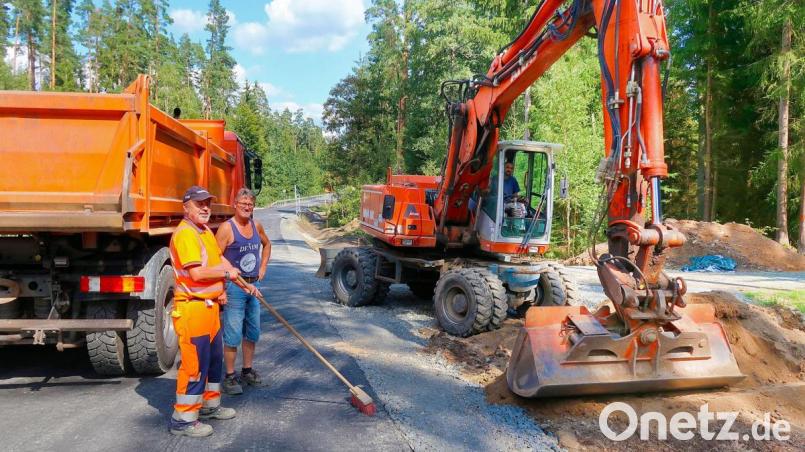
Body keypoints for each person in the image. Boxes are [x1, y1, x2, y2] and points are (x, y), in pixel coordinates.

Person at [168, 185, 258, 437]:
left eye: (207, 203)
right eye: (199, 204)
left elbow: (221, 260)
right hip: (192, 308)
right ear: (186, 207)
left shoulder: (205, 230)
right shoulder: (185, 234)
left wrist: (246, 285)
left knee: (214, 361)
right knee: (194, 365)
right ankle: (183, 420)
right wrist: (226, 274)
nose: (205, 207)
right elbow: (197, 272)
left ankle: (209, 406)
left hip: (209, 309)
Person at [215, 188, 271, 395]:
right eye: (243, 204)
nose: (247, 207)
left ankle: (247, 371)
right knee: (232, 334)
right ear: (235, 205)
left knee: (252, 332)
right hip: (234, 288)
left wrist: (263, 267)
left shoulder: (256, 226)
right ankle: (230, 377)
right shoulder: (226, 229)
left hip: (253, 286)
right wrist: (221, 289)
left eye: (250, 204)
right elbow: (215, 257)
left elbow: (267, 245)